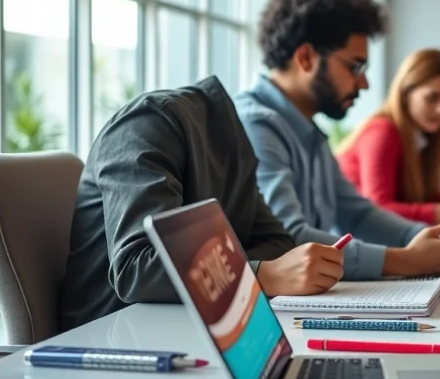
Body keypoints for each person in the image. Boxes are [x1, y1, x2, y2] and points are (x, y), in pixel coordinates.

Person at [59, 77, 344, 331]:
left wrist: (226, 269)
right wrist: (259, 274)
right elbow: (138, 271)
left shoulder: (230, 140)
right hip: (108, 341)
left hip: (179, 328)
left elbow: (278, 241)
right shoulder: (145, 125)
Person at [235, 0, 440, 281]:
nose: (364, 83)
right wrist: (406, 260)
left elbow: (357, 213)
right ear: (305, 58)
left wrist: (426, 237)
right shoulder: (256, 125)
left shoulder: (307, 129)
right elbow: (287, 240)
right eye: (355, 67)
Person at [338, 49, 440, 224]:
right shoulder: (382, 132)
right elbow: (378, 209)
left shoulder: (423, 136)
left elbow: (420, 198)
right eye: (432, 98)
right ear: (405, 93)